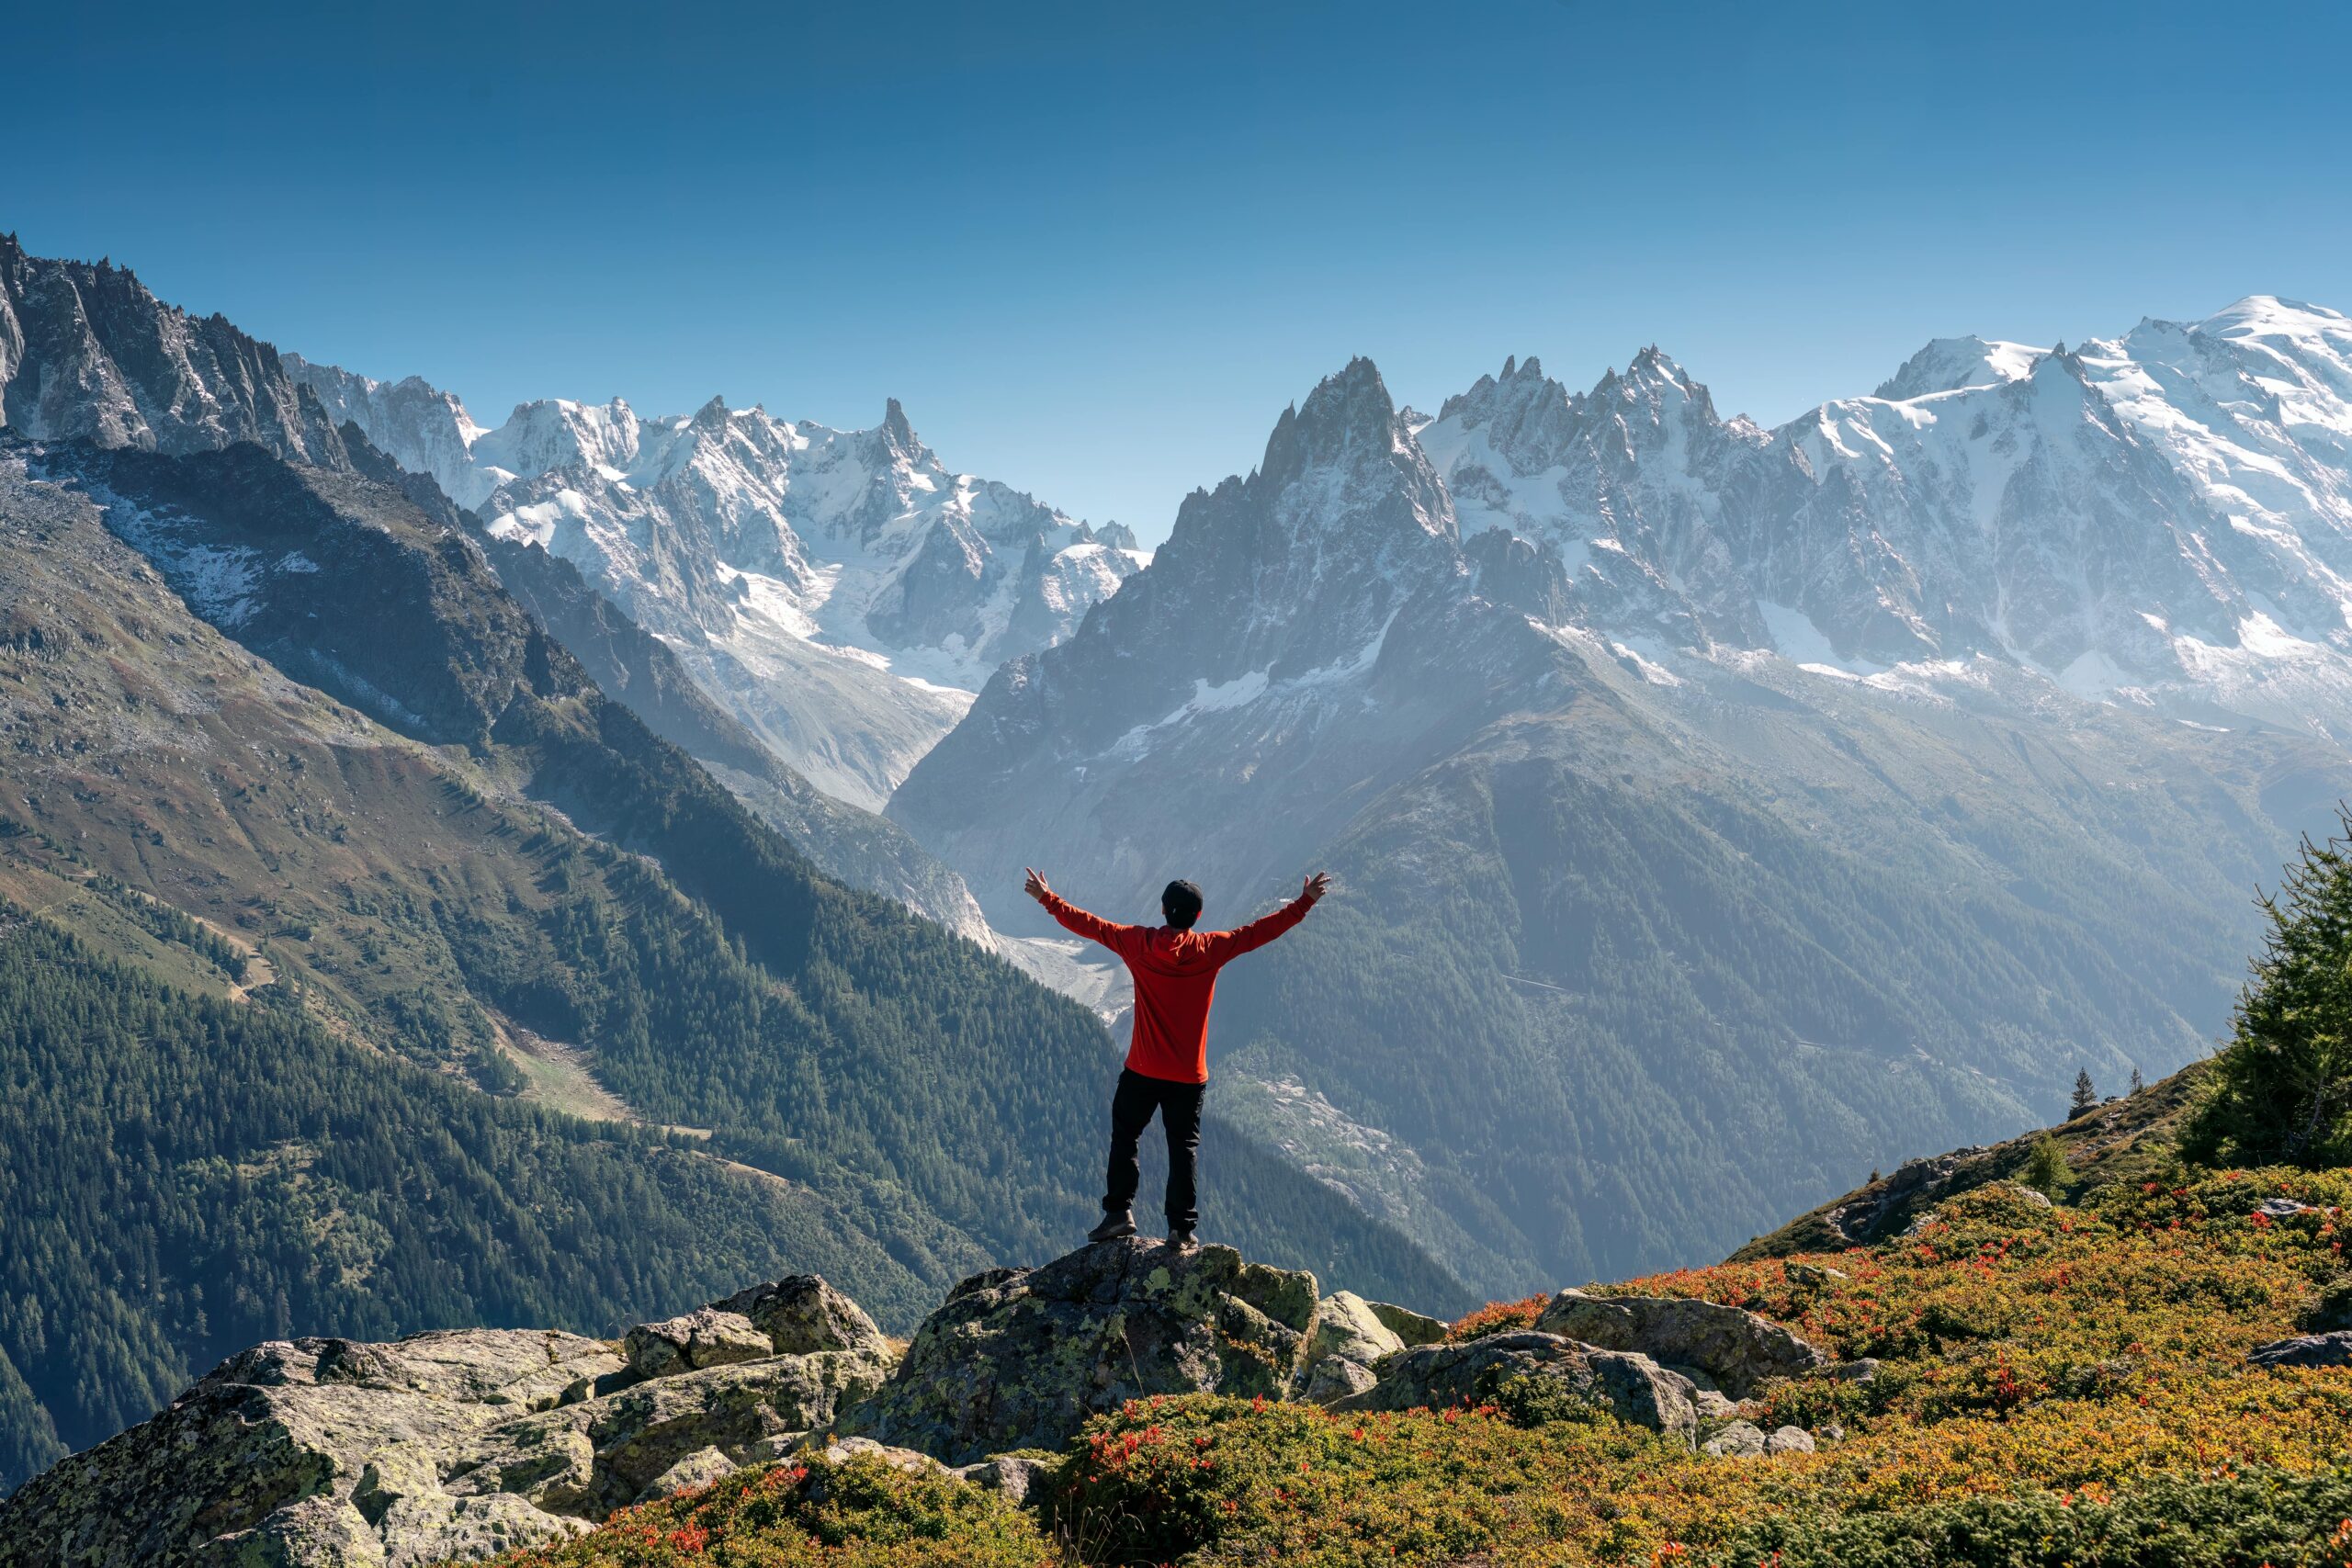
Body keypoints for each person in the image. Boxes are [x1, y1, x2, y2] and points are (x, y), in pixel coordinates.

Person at [1023, 866, 1331, 1250]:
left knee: (1126, 1136)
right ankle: (1181, 1229)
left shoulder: (1137, 943)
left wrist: (1047, 899)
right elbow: (1257, 933)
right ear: (1197, 917)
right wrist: (1304, 904)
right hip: (1188, 1076)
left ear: (1164, 910)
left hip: (1142, 1069)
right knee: (1182, 1147)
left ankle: (1119, 1213)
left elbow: (1091, 925)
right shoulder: (1212, 949)